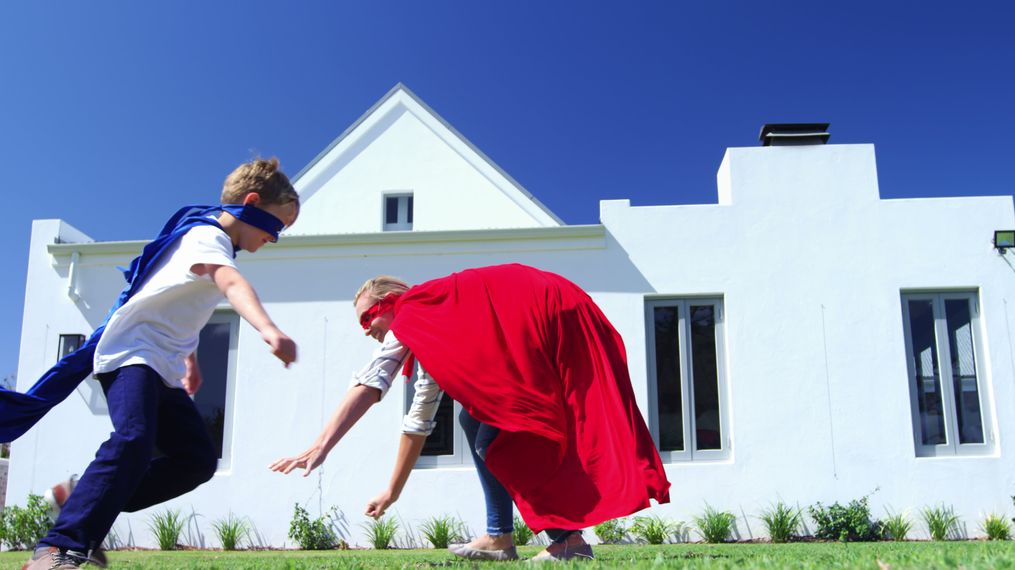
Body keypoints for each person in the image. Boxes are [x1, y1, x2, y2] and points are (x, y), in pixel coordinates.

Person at [8, 158, 300, 570]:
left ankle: (80, 497)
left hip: (159, 365)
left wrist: (190, 358)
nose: (275, 238)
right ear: (250, 203)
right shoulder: (206, 236)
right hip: (130, 354)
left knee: (196, 460)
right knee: (134, 438)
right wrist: (268, 328)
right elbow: (231, 283)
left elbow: (173, 301)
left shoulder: (204, 244)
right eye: (276, 227)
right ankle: (58, 547)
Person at [271, 263, 670, 561]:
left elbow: (374, 382)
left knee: (500, 434)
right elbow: (419, 418)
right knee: (476, 419)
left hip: (554, 312)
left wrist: (320, 446)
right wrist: (392, 491)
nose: (366, 330)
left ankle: (552, 540)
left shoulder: (415, 315)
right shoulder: (435, 325)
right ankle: (535, 538)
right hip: (556, 309)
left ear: (389, 305)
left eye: (368, 318)